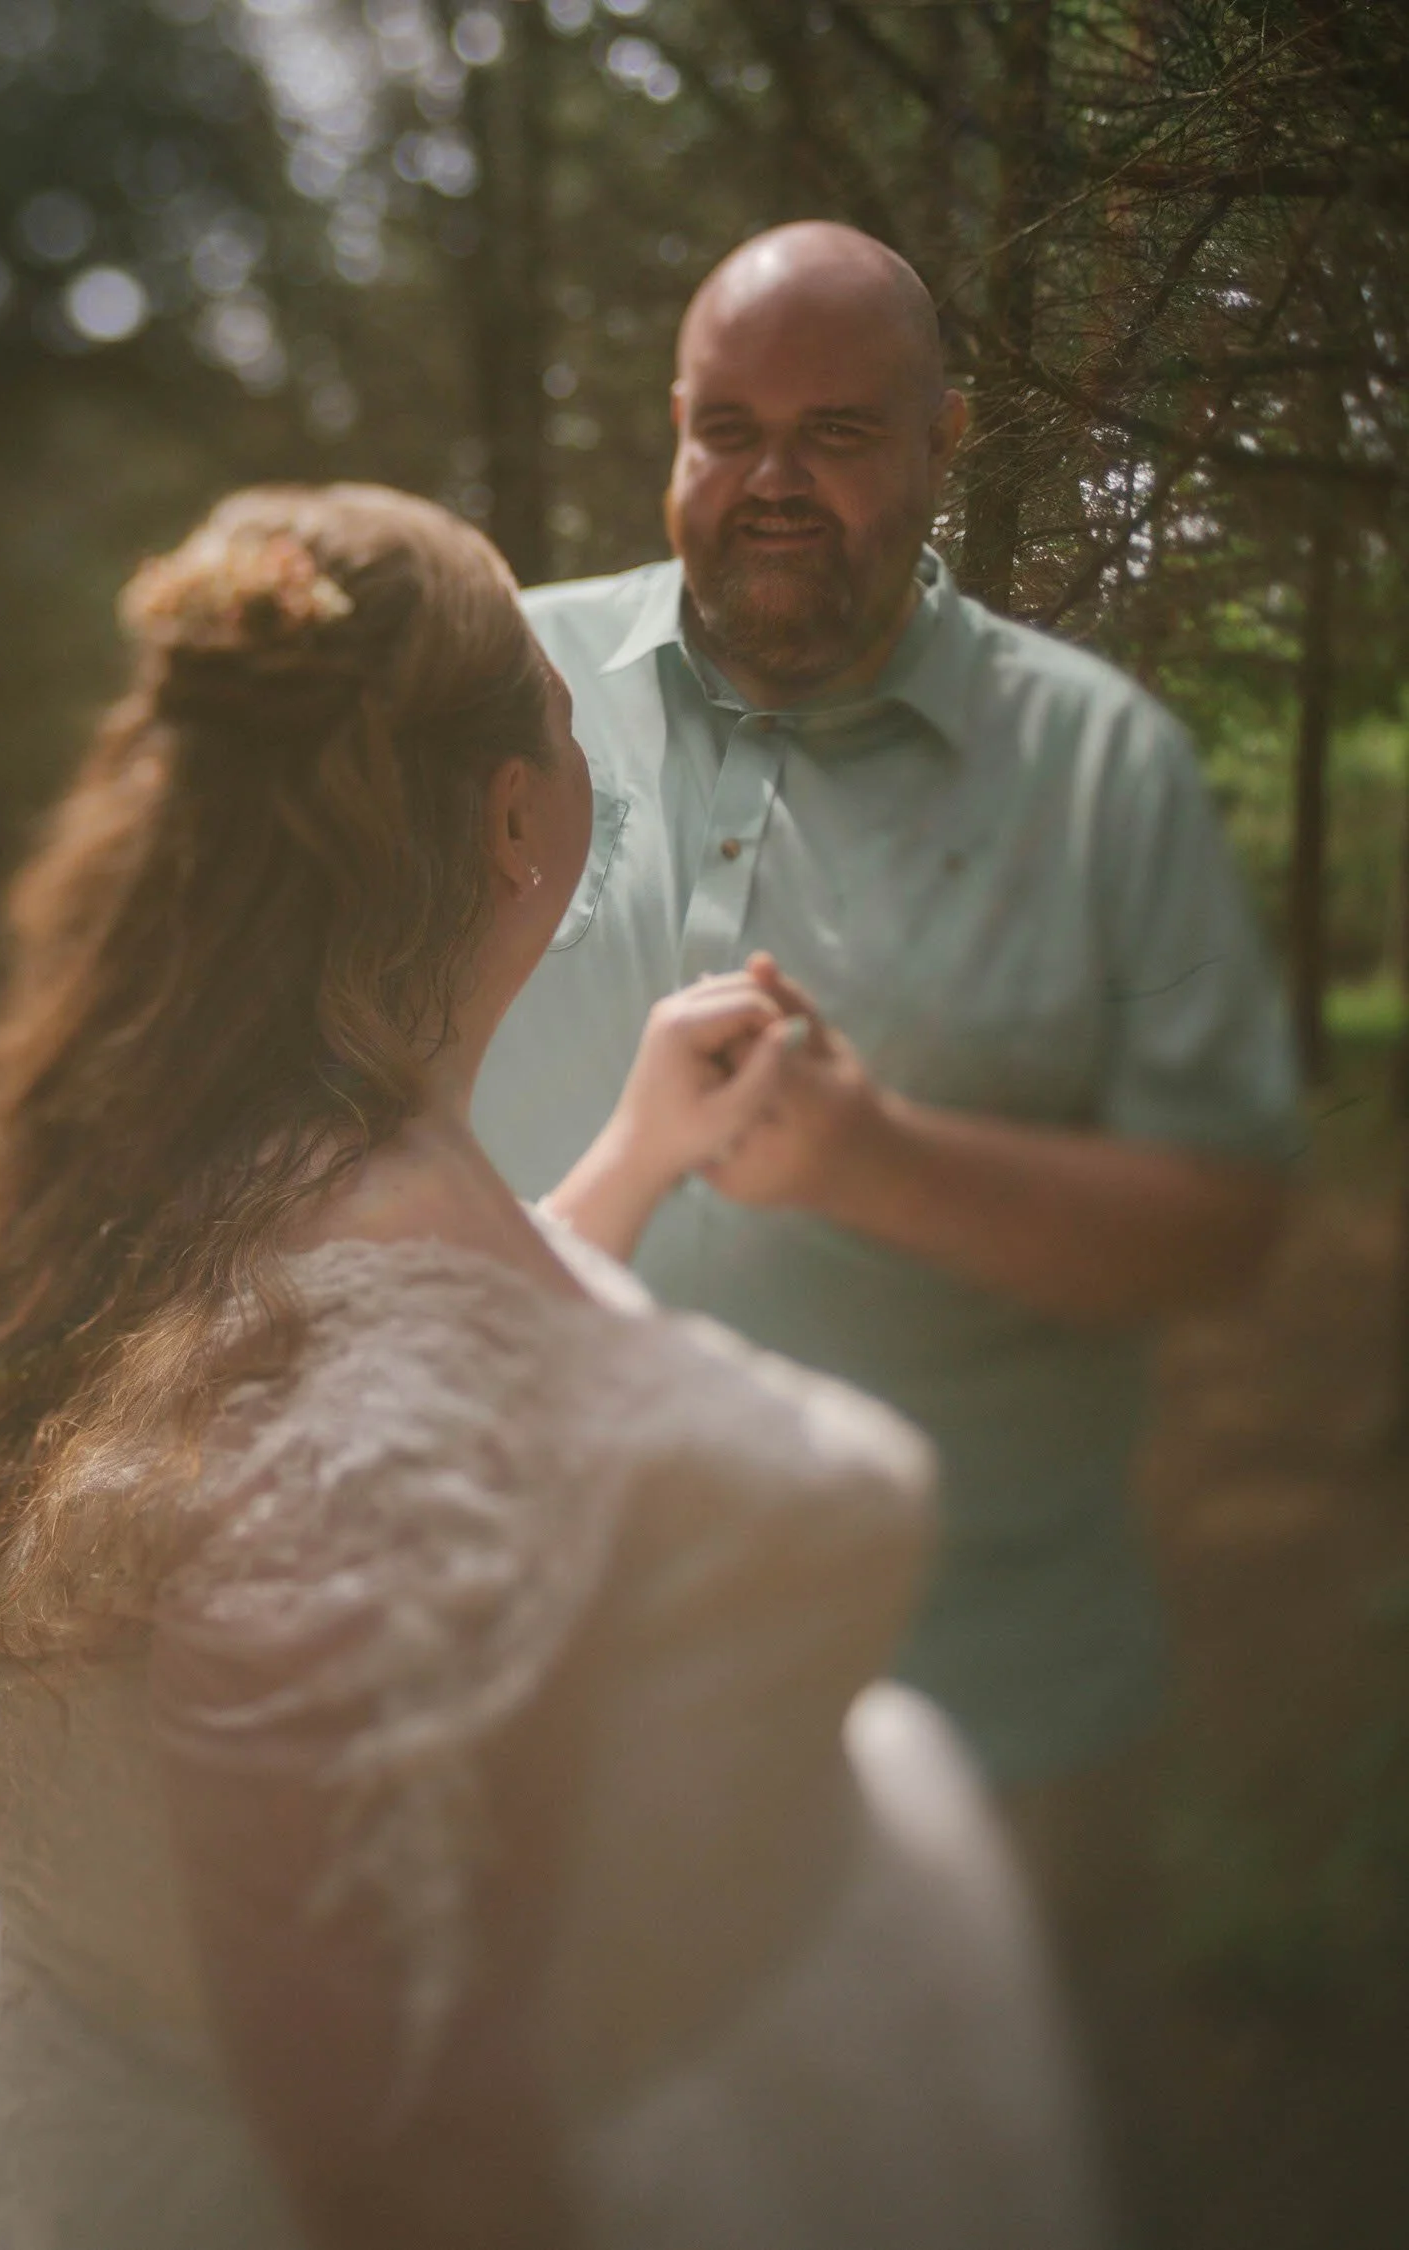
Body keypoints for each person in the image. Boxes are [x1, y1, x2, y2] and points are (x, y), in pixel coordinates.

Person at [0, 485, 1101, 2250]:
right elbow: (402, 2157)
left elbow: (377, 1353)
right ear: (515, 813)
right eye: (563, 716)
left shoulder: (132, 1200)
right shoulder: (349, 1429)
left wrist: (625, 1162)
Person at [470, 221, 1298, 2234]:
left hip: (988, 1717)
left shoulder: (1100, 762)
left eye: (837, 433)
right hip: (533, 1702)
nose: (769, 478)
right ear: (668, 435)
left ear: (942, 442)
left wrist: (874, 1162)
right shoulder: (492, 693)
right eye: (722, 428)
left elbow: (1227, 1227)